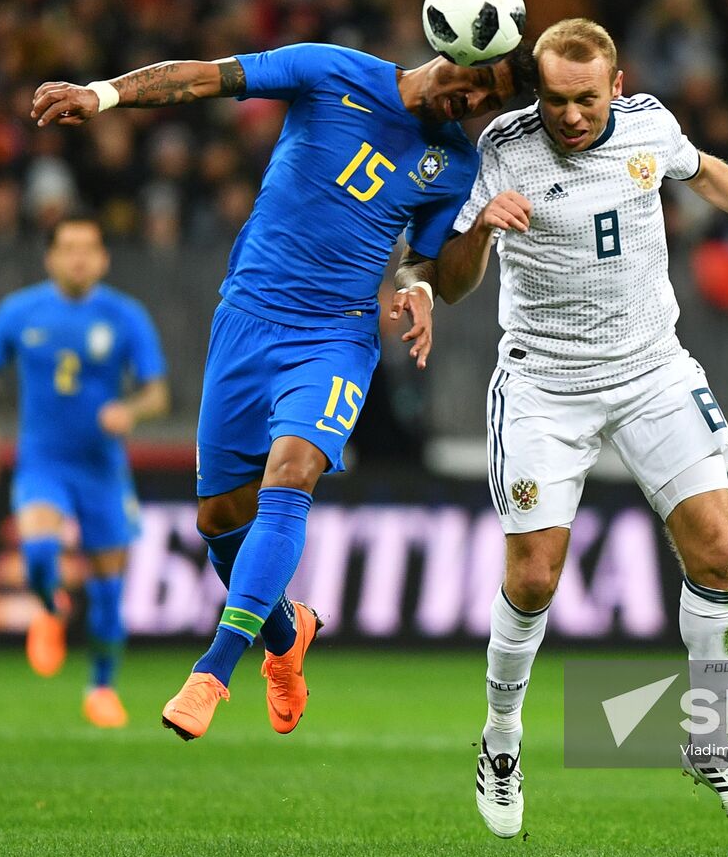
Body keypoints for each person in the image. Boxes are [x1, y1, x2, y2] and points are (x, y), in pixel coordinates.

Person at [30, 42, 532, 740]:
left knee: (291, 475)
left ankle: (212, 671)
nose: (473, 103)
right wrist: (103, 93)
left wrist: (423, 285)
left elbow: (425, 265)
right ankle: (285, 634)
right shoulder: (331, 71)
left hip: (335, 338)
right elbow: (205, 78)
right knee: (220, 521)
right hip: (247, 320)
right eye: (476, 82)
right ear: (451, 47)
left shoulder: (455, 163)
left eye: (491, 101)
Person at [435, 19, 728, 837]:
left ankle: (710, 739)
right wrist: (481, 227)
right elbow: (450, 285)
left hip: (652, 370)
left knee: (718, 549)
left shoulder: (651, 125)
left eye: (586, 100)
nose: (569, 115)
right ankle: (502, 739)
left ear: (616, 87)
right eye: (555, 100)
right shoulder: (502, 150)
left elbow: (708, 172)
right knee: (534, 578)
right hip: (545, 385)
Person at [0, 216, 169, 728]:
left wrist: (130, 412)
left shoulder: (125, 315)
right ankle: (51, 607)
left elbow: (157, 393)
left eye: (88, 248)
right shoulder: (19, 311)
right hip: (42, 463)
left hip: (102, 468)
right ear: (49, 258)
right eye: (68, 248)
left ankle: (102, 688)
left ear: (104, 259)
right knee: (38, 551)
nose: (78, 258)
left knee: (108, 589)